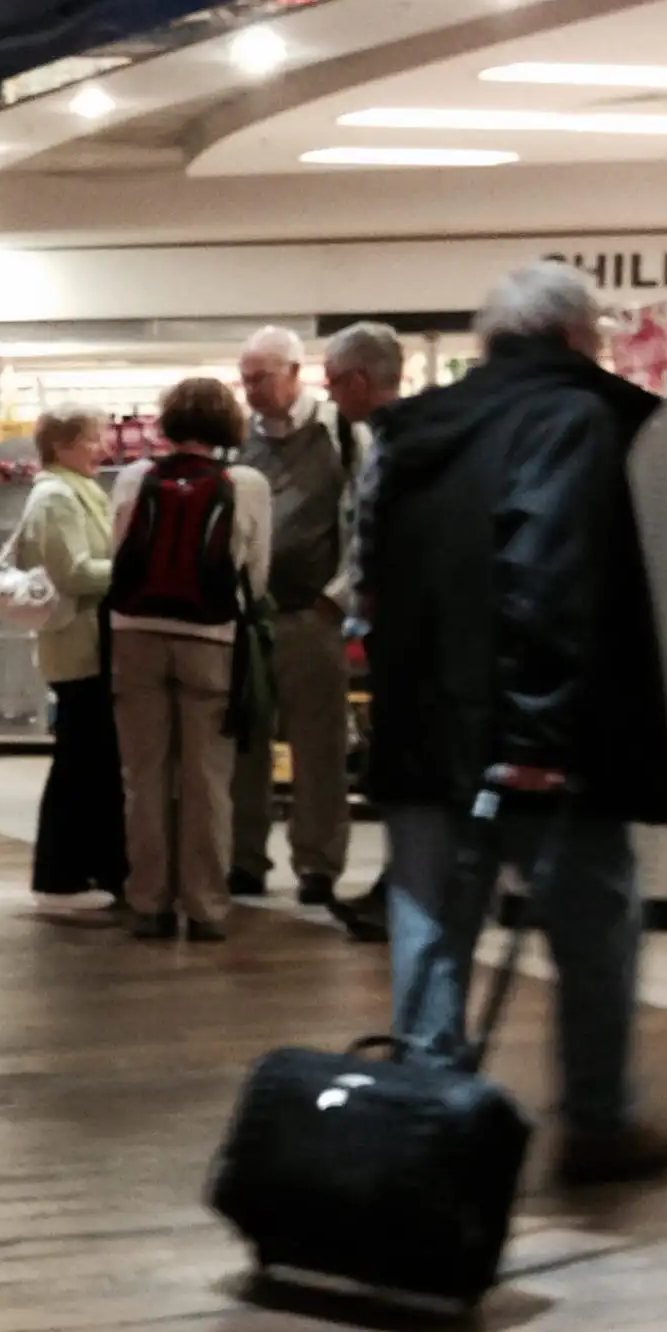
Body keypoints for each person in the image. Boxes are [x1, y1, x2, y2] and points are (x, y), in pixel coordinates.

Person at [365, 261, 667, 1185]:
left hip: (426, 733)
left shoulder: (416, 428)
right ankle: (596, 1119)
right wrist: (541, 736)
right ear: (576, 335)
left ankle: (423, 1128)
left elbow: (376, 582)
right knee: (594, 928)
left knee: (431, 930)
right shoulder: (575, 419)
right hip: (540, 746)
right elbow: (550, 569)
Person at [107, 376, 272, 940]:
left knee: (144, 775)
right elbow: (256, 573)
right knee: (207, 778)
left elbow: (116, 554)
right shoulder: (245, 482)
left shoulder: (135, 476)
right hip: (212, 639)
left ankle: (149, 902)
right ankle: (205, 907)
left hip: (135, 636)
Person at [231, 326, 358, 911]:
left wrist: (339, 596)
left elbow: (361, 521)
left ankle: (318, 863)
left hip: (313, 613)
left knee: (319, 748)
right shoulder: (239, 440)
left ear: (294, 373)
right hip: (251, 617)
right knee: (247, 744)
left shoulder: (342, 435)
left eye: (261, 377)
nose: (251, 388)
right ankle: (244, 858)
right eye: (246, 378)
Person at [12, 405, 125, 915]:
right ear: (61, 445)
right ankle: (61, 874)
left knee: (88, 762)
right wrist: (132, 568)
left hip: (89, 645)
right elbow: (74, 573)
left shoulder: (77, 491)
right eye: (91, 439)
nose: (102, 448)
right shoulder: (56, 496)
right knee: (82, 763)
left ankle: (86, 868)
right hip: (78, 647)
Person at [318, 321, 409, 943]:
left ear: (357, 380)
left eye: (332, 382)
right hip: (398, 631)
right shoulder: (386, 441)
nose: (329, 395)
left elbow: (380, 541)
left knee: (407, 767)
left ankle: (404, 895)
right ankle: (395, 890)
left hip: (409, 634)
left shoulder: (397, 444)